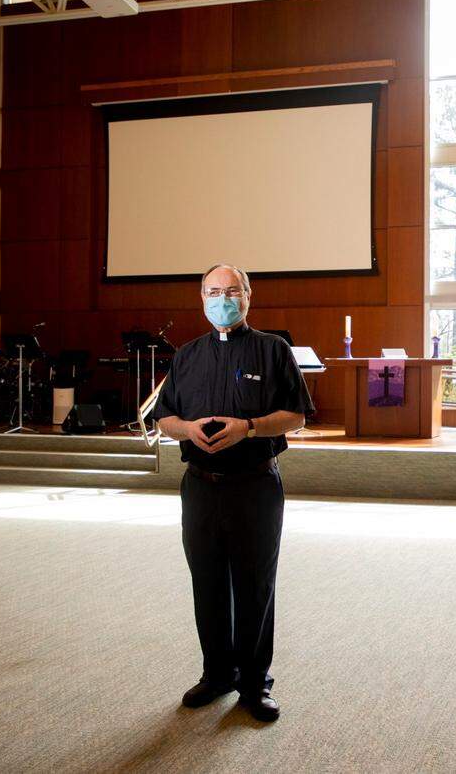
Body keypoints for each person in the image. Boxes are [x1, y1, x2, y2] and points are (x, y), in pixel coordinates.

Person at [155, 263, 314, 722]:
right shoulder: (186, 355)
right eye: (213, 291)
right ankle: (217, 674)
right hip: (200, 487)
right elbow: (164, 418)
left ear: (248, 295)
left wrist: (249, 427)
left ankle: (254, 683)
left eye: (231, 291)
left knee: (254, 584)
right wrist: (186, 429)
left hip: (254, 485)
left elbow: (297, 415)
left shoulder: (273, 350)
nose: (222, 299)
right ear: (201, 298)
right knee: (206, 582)